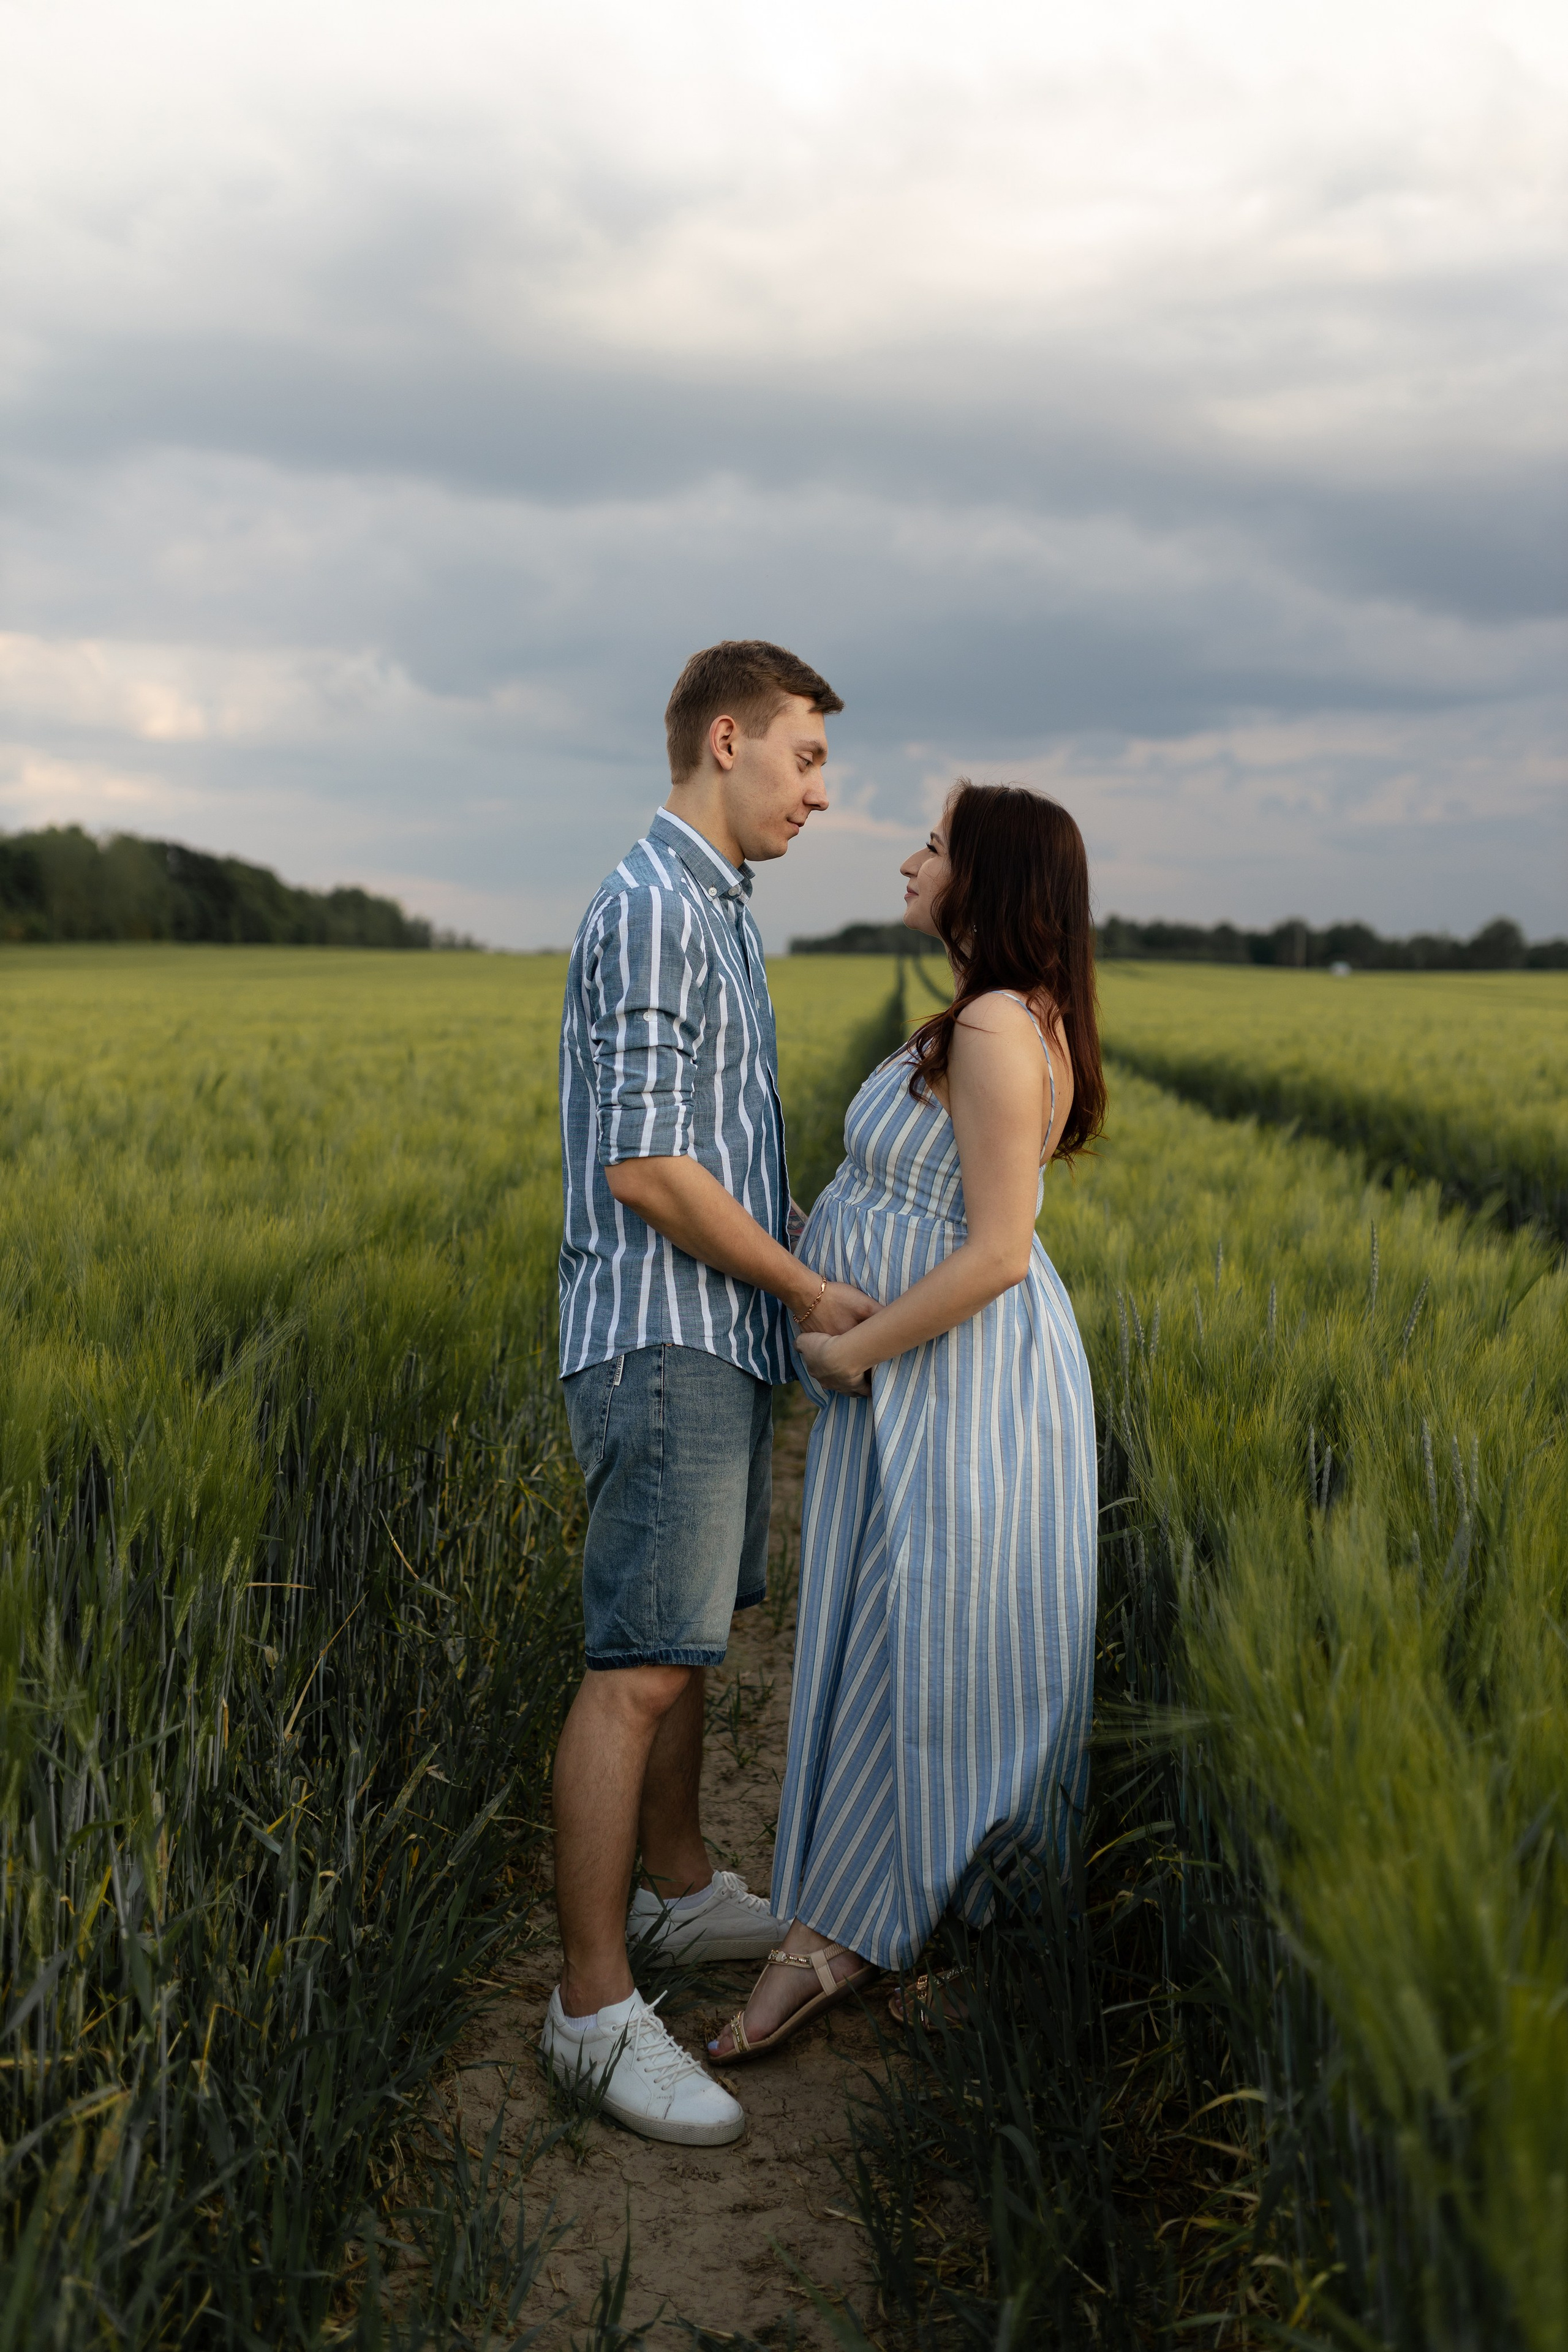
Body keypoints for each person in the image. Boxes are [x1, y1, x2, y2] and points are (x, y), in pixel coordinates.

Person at [709, 781, 1104, 2064]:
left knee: (930, 1648)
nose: (906, 859)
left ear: (981, 877)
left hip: (955, 1383)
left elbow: (995, 1252)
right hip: (923, 1383)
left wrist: (848, 1351)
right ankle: (911, 1927)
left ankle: (855, 1935)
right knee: (922, 1640)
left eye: (931, 845)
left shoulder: (993, 1026)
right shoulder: (981, 1016)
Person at [541, 640, 877, 2146]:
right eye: (806, 759)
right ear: (727, 740)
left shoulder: (711, 911)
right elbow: (648, 1166)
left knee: (681, 1649)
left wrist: (794, 1260)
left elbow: (709, 1154)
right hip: (664, 1332)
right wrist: (806, 1290)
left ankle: (676, 1900)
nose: (820, 793)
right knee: (638, 1667)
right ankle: (592, 2008)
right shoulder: (660, 910)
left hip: (706, 1336)